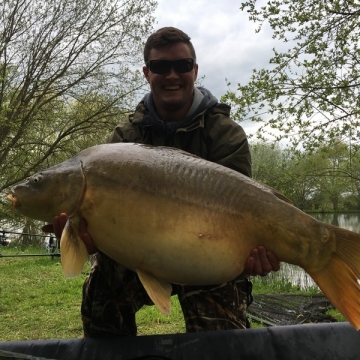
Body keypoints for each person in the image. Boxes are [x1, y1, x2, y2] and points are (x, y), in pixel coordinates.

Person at [43, 27, 280, 337]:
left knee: (223, 339)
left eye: (182, 66)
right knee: (100, 299)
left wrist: (251, 254)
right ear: (146, 72)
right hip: (140, 252)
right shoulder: (124, 139)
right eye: (160, 67)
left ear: (195, 70)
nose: (172, 75)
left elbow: (242, 212)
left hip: (207, 254)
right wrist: (85, 238)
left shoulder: (225, 134)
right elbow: (100, 222)